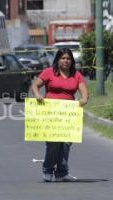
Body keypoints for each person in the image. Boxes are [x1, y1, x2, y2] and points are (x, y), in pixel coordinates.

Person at [31, 48, 88, 182]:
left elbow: (84, 90)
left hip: (68, 113)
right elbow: (35, 86)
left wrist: (84, 99)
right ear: (58, 59)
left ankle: (62, 173)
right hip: (51, 113)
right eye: (63, 58)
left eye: (68, 58)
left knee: (66, 143)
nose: (66, 61)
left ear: (71, 60)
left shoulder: (76, 74)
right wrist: (38, 95)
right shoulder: (49, 72)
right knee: (54, 143)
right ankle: (48, 170)